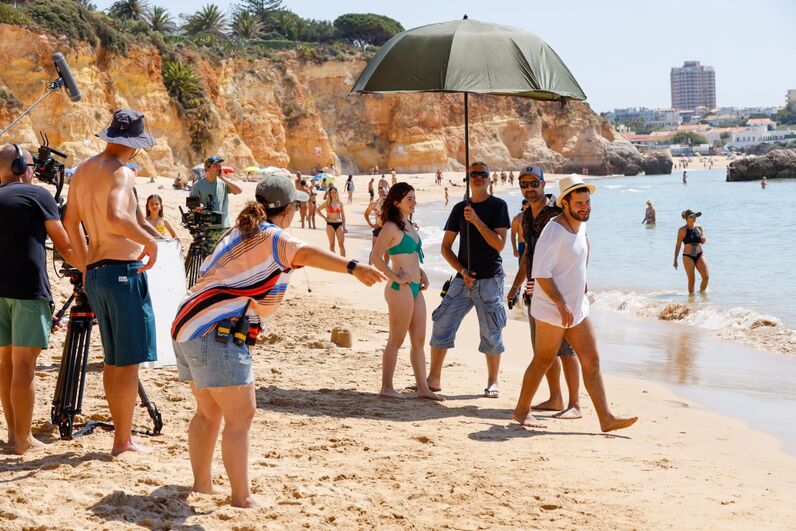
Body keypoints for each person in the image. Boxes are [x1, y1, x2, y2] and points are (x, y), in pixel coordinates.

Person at [171, 174, 386, 507]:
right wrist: (353, 267)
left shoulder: (238, 231)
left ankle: (202, 485)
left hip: (187, 324)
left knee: (208, 413)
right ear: (288, 210)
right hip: (216, 330)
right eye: (296, 206)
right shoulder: (274, 237)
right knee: (241, 417)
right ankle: (242, 497)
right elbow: (307, 253)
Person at [63, 108, 164, 455]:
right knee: (129, 361)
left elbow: (70, 221)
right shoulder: (122, 172)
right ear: (134, 143)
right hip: (123, 272)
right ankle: (123, 440)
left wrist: (83, 263)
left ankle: (122, 436)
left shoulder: (83, 170)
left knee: (113, 359)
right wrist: (150, 242)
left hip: (98, 273)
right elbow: (116, 216)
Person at [512, 175, 637, 432]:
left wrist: (583, 284)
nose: (585, 207)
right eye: (579, 203)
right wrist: (561, 304)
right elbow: (540, 273)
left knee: (592, 359)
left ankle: (606, 418)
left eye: (587, 202)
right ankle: (521, 411)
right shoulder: (553, 231)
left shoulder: (580, 226)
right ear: (565, 203)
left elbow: (580, 254)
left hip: (577, 307)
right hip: (552, 308)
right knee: (544, 359)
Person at [0, 144, 80, 454]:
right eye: (32, 165)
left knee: (6, 364)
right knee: (24, 367)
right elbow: (65, 246)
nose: (35, 170)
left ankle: (13, 435)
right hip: (28, 291)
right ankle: (24, 440)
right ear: (20, 167)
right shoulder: (38, 195)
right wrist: (89, 268)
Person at [426, 162, 511, 398]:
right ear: (468, 179)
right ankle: (433, 379)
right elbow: (445, 247)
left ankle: (493, 382)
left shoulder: (499, 206)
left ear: (489, 178)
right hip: (463, 280)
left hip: (490, 280)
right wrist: (462, 271)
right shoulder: (459, 208)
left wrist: (476, 221)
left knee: (491, 331)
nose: (478, 177)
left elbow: (499, 245)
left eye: (483, 174)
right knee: (441, 322)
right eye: (473, 174)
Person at [507, 167, 580, 418]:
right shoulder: (526, 216)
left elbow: (579, 243)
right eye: (524, 184)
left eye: (533, 183)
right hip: (534, 290)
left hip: (560, 289)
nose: (529, 188)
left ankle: (574, 404)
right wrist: (515, 286)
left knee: (566, 349)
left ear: (543, 183)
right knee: (543, 352)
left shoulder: (558, 212)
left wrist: (579, 282)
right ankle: (555, 398)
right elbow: (528, 254)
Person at [370, 183, 442, 401]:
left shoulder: (408, 224)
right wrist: (395, 277)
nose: (414, 202)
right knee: (396, 339)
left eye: (414, 197)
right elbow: (375, 257)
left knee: (419, 339)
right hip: (399, 288)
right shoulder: (390, 227)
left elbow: (411, 257)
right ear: (396, 202)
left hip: (415, 287)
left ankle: (423, 389)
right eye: (409, 198)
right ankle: (387, 387)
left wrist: (422, 273)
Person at [191, 155, 242, 249]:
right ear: (207, 169)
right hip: (207, 227)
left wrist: (224, 178)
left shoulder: (223, 183)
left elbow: (239, 191)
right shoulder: (197, 185)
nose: (219, 167)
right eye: (215, 165)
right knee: (210, 255)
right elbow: (192, 204)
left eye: (219, 165)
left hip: (224, 226)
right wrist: (198, 206)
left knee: (225, 255)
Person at [673, 209, 709, 294]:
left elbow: (702, 241)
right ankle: (691, 299)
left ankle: (702, 295)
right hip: (688, 256)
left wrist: (703, 239)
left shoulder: (699, 228)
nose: (694, 218)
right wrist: (675, 260)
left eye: (695, 216)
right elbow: (678, 245)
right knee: (692, 280)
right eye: (692, 216)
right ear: (687, 218)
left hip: (699, 254)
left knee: (706, 277)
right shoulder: (682, 230)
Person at [317, 186, 346, 256]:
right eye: (331, 192)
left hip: (339, 224)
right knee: (332, 244)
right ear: (329, 193)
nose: (333, 194)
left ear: (337, 193)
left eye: (334, 192)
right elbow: (317, 210)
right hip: (330, 224)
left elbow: (343, 216)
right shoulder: (327, 203)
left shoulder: (340, 203)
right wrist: (324, 217)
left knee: (341, 244)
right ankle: (334, 260)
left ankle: (343, 260)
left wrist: (344, 226)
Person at [364, 185, 388, 264]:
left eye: (383, 191)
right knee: (374, 249)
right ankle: (369, 265)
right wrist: (371, 224)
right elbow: (366, 214)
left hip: (388, 228)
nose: (382, 193)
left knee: (387, 250)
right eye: (380, 192)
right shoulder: (374, 204)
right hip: (378, 227)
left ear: (386, 192)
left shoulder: (391, 204)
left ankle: (386, 267)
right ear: (378, 193)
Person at [510, 199, 529, 265]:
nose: (530, 206)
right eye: (528, 204)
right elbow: (513, 234)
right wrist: (514, 248)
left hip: (533, 244)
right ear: (523, 205)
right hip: (522, 245)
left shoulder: (535, 216)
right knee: (522, 267)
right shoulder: (517, 218)